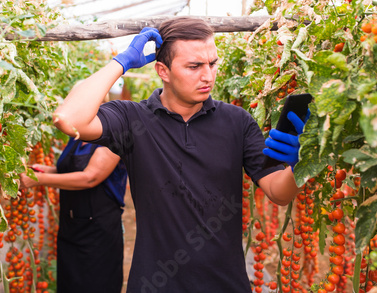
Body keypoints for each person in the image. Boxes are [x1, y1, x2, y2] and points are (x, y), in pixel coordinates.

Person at [52, 17, 308, 292]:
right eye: (194, 66)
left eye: (212, 63)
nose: (208, 75)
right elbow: (69, 120)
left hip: (226, 284)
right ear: (163, 70)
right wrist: (121, 62)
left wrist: (299, 164)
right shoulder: (132, 119)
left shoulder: (237, 121)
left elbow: (279, 193)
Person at [20, 89, 128, 293]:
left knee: (95, 284)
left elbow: (90, 177)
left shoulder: (113, 136)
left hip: (98, 231)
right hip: (71, 226)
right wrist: (47, 170)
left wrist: (39, 180)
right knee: (70, 283)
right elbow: (70, 168)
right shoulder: (78, 135)